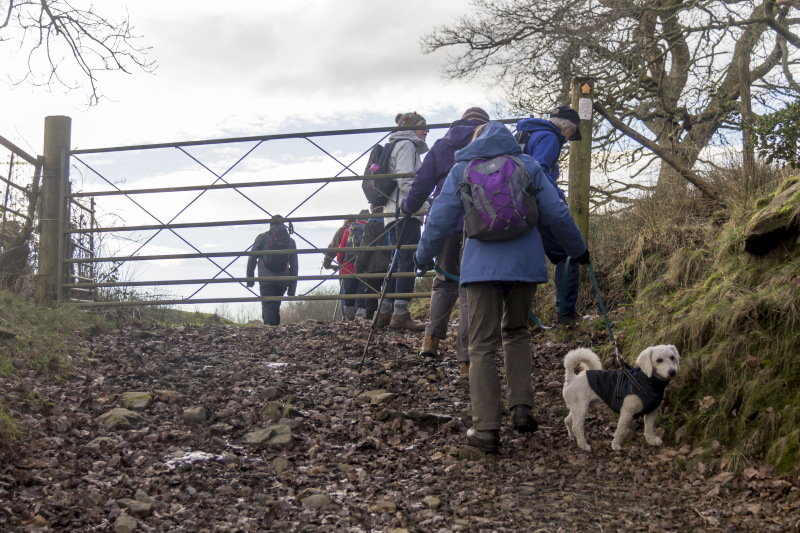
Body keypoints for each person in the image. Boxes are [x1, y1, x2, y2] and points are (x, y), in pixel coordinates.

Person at [413, 121, 589, 453]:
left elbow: (439, 218)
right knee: (517, 331)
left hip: (480, 269)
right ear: (512, 140)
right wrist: (578, 250)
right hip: (524, 265)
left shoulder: (462, 168)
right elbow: (557, 214)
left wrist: (422, 256)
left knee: (481, 345)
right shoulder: (529, 165)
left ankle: (487, 430)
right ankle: (521, 408)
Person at [401, 107, 490, 377]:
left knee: (443, 282)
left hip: (447, 223)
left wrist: (408, 207)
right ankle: (466, 361)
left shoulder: (442, 144)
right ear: (484, 124)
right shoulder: (491, 144)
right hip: (481, 224)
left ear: (461, 120)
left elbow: (422, 182)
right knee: (469, 291)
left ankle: (431, 340)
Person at [516, 105, 584, 324]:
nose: (569, 139)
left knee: (520, 261)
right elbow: (540, 170)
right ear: (569, 129)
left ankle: (517, 318)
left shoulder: (526, 134)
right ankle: (566, 314)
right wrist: (557, 196)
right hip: (536, 203)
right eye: (572, 134)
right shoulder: (550, 138)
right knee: (567, 255)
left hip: (514, 205)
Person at [374, 111, 430, 331]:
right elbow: (406, 179)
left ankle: (384, 312)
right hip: (405, 210)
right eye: (423, 125)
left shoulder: (397, 145)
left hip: (392, 211)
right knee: (407, 260)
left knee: (397, 261)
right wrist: (424, 206)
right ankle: (400, 314)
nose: (427, 130)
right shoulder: (407, 145)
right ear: (410, 127)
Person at [246, 216, 298, 326]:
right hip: (283, 281)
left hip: (266, 279)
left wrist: (250, 280)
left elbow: (252, 259)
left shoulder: (262, 237)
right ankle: (276, 334)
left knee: (268, 306)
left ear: (270, 225)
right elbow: (294, 266)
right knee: (275, 307)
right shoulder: (290, 241)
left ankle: (271, 333)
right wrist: (292, 289)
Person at [354, 205, 391, 321]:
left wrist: (358, 266)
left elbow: (366, 246)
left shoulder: (371, 223)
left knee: (371, 294)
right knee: (389, 293)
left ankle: (372, 320)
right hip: (390, 263)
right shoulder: (390, 220)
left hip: (374, 265)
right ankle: (390, 317)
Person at [336, 211, 368, 320]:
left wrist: (341, 263)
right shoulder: (370, 229)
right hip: (364, 268)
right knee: (361, 294)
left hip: (348, 267)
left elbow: (341, 250)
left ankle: (349, 319)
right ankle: (361, 318)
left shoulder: (349, 230)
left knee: (349, 294)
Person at [322, 217, 354, 318]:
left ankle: (346, 317)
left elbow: (333, 248)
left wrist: (327, 264)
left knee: (344, 292)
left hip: (346, 267)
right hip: (363, 267)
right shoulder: (362, 228)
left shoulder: (343, 230)